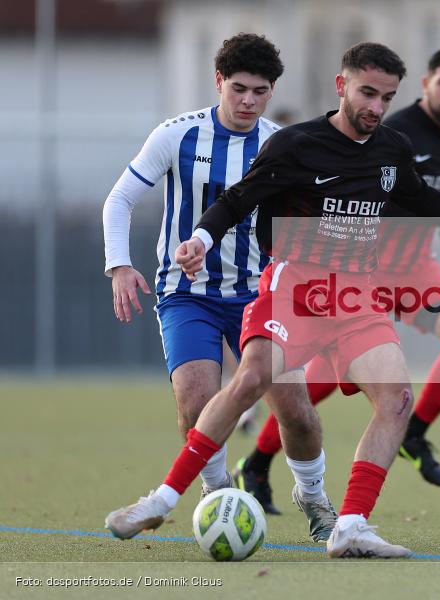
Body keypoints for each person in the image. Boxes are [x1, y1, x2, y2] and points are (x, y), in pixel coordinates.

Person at [105, 42, 440, 559]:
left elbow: (425, 202)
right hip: (293, 288)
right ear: (341, 86)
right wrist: (200, 242)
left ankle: (351, 525)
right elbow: (236, 200)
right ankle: (160, 500)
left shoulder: (391, 149)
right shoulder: (295, 145)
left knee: (396, 400)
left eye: (386, 98)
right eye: (367, 93)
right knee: (250, 380)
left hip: (356, 295)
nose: (376, 108)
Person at [102, 33, 337, 544]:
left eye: (260, 91)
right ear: (218, 83)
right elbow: (119, 201)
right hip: (188, 296)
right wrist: (119, 265)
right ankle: (217, 496)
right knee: (195, 400)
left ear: (272, 90)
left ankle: (314, 497)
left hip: (262, 293)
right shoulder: (176, 136)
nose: (248, 101)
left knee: (295, 410)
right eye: (238, 89)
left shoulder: (283, 145)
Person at [233, 48, 440, 507]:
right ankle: (258, 461)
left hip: (415, 270)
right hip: (364, 271)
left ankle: (415, 433)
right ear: (425, 84)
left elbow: (434, 205)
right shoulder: (394, 131)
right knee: (321, 382)